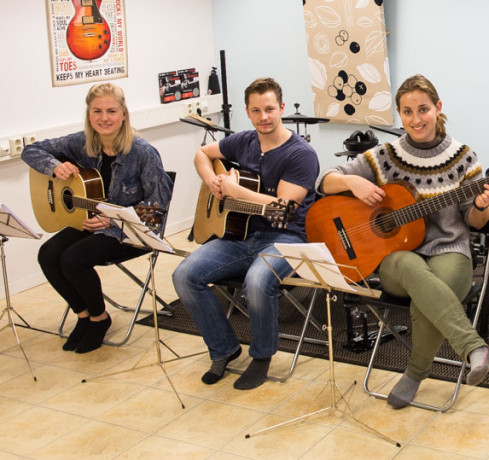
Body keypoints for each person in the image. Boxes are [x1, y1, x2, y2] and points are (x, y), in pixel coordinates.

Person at [316, 74, 489, 409]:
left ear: (438, 108)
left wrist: (480, 206)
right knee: (408, 265)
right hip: (397, 258)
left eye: (424, 109)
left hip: (450, 252)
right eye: (408, 112)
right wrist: (352, 184)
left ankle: (414, 374)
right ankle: (473, 346)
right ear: (399, 114)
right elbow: (324, 180)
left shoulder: (463, 156)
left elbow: (475, 223)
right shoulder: (383, 156)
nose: (417, 119)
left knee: (428, 295)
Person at [172, 78, 319, 390]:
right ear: (247, 113)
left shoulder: (301, 154)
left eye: (269, 109)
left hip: (287, 238)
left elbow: (284, 208)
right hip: (240, 235)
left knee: (257, 281)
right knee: (185, 275)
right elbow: (202, 153)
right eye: (256, 111)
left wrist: (237, 191)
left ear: (281, 108)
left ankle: (262, 356)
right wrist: (212, 179)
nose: (263, 117)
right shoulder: (243, 141)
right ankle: (224, 349)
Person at [22, 83, 172, 354]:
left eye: (111, 111)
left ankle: (99, 319)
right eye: (97, 111)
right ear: (89, 115)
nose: (104, 118)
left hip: (128, 229)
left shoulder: (142, 152)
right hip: (88, 220)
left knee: (73, 258)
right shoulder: (81, 143)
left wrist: (112, 220)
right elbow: (30, 151)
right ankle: (84, 315)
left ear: (124, 114)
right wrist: (55, 167)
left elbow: (156, 210)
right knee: (47, 254)